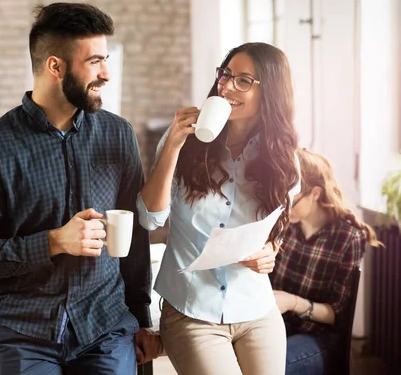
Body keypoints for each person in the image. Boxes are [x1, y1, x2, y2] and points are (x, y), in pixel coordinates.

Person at [0, 2, 162, 374]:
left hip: (106, 324)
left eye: (106, 59)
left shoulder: (118, 134)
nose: (107, 74)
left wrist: (142, 318)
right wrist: (53, 241)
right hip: (23, 329)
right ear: (55, 66)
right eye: (95, 61)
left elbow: (135, 240)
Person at [137, 42, 301, 375]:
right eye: (225, 75)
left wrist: (270, 249)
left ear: (270, 92)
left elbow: (276, 225)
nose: (226, 86)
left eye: (243, 81)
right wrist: (173, 145)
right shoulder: (185, 141)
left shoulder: (282, 156)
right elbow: (150, 218)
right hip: (191, 308)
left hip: (256, 308)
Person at [271, 148, 381, 375]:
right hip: (276, 324)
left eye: (292, 199)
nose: (285, 206)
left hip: (318, 337)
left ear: (316, 194)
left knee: (270, 367)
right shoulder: (286, 227)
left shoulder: (348, 237)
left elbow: (337, 316)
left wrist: (292, 302)